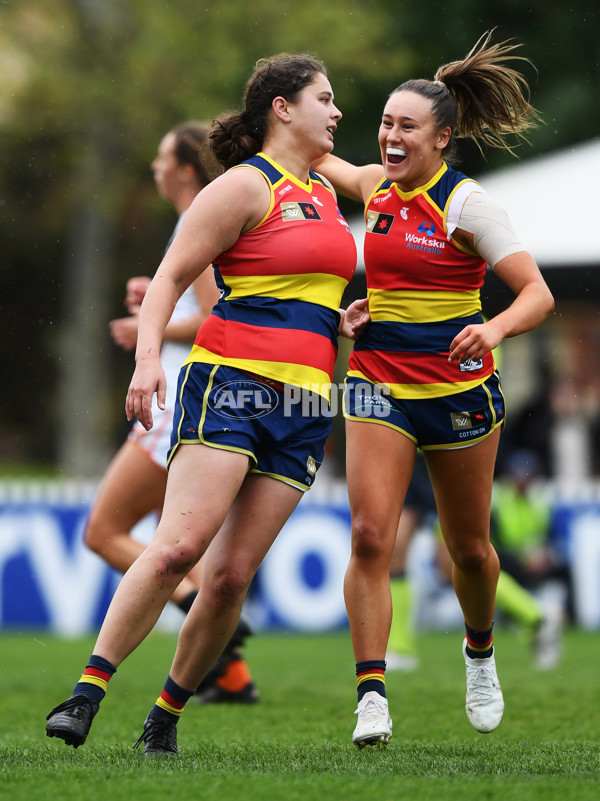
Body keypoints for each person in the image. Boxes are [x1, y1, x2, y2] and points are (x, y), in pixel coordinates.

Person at [46, 53, 368, 755]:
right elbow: (168, 280)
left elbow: (313, 283)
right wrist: (146, 360)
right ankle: (85, 693)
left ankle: (165, 714)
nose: (337, 112)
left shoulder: (321, 192)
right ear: (282, 108)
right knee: (178, 550)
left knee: (228, 579)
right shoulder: (244, 188)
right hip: (230, 387)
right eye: (325, 98)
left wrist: (341, 320)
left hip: (308, 405)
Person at [314, 31, 554, 746]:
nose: (389, 135)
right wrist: (276, 118)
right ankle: (372, 696)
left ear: (441, 138)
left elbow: (537, 295)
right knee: (368, 537)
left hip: (457, 390)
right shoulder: (375, 188)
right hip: (377, 380)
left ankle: (480, 654)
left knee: (470, 551)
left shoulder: (467, 204)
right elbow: (310, 157)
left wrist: (496, 329)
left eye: (405, 126)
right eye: (385, 122)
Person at [84, 121, 258, 704]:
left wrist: (149, 329)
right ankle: (231, 674)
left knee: (105, 532)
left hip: (179, 396)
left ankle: (191, 605)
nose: (155, 168)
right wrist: (155, 297)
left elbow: (216, 316)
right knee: (185, 541)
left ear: (187, 168)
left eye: (163, 158)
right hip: (196, 394)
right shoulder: (206, 217)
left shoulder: (201, 215)